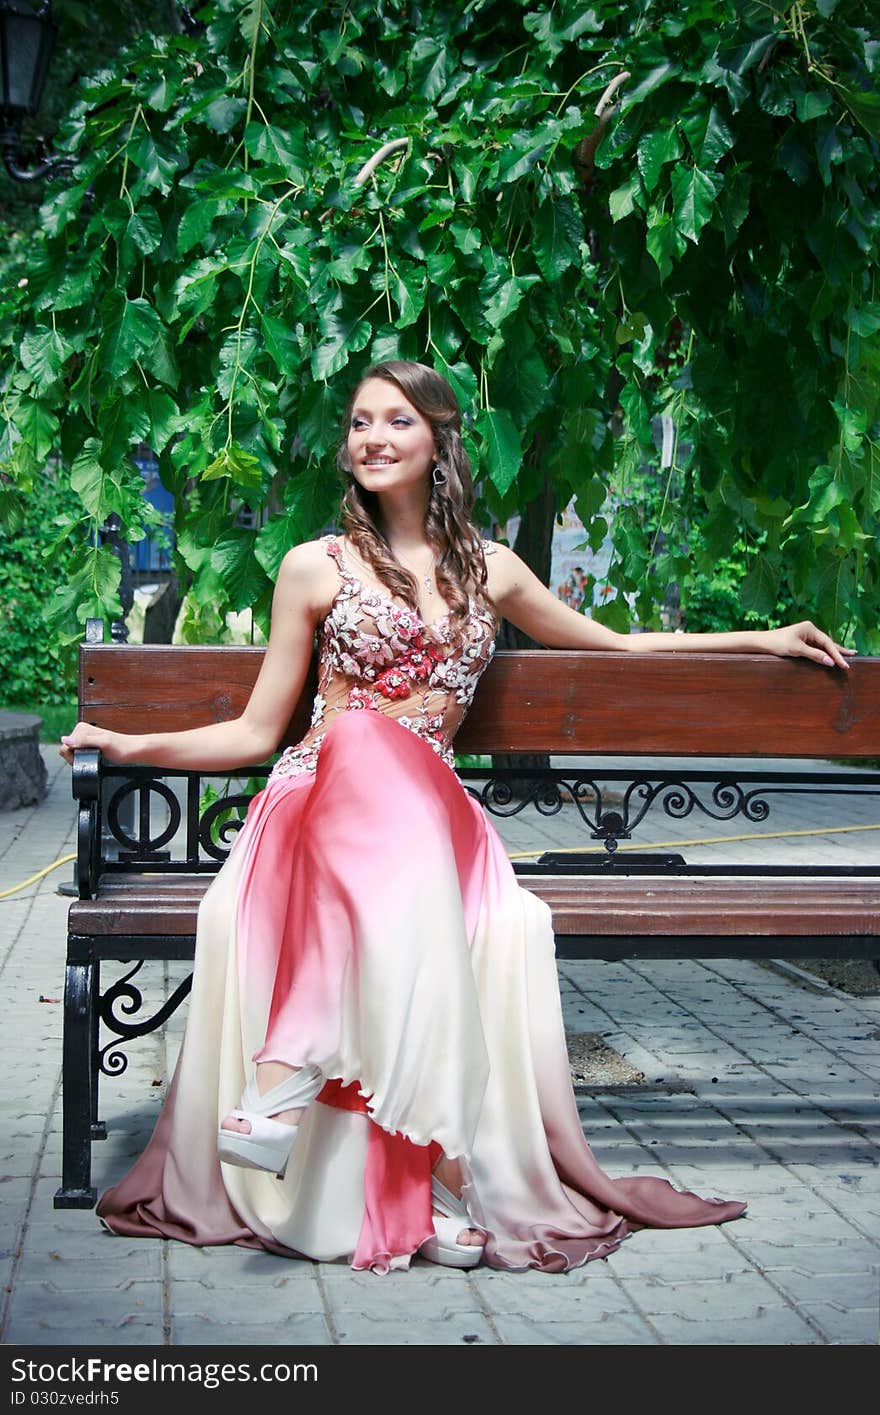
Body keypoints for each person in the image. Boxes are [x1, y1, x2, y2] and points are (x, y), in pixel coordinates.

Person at [60, 360, 852, 1275]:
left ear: (438, 437)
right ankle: (413, 1178)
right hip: (318, 813)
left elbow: (623, 643)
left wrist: (760, 637)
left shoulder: (494, 568)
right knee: (355, 736)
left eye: (397, 419)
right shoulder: (312, 567)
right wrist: (126, 744)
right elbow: (253, 730)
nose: (373, 437)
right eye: (359, 421)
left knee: (399, 785)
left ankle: (294, 1069)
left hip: (433, 822)